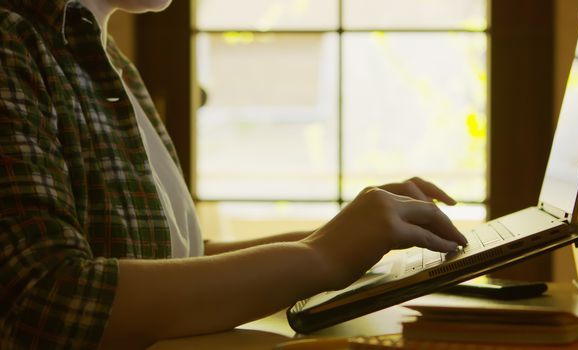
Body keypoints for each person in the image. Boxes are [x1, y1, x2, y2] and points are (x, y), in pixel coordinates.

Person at [0, 0, 468, 348]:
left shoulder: (106, 60)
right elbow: (47, 300)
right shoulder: (11, 44)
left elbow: (174, 259)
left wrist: (347, 235)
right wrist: (321, 255)